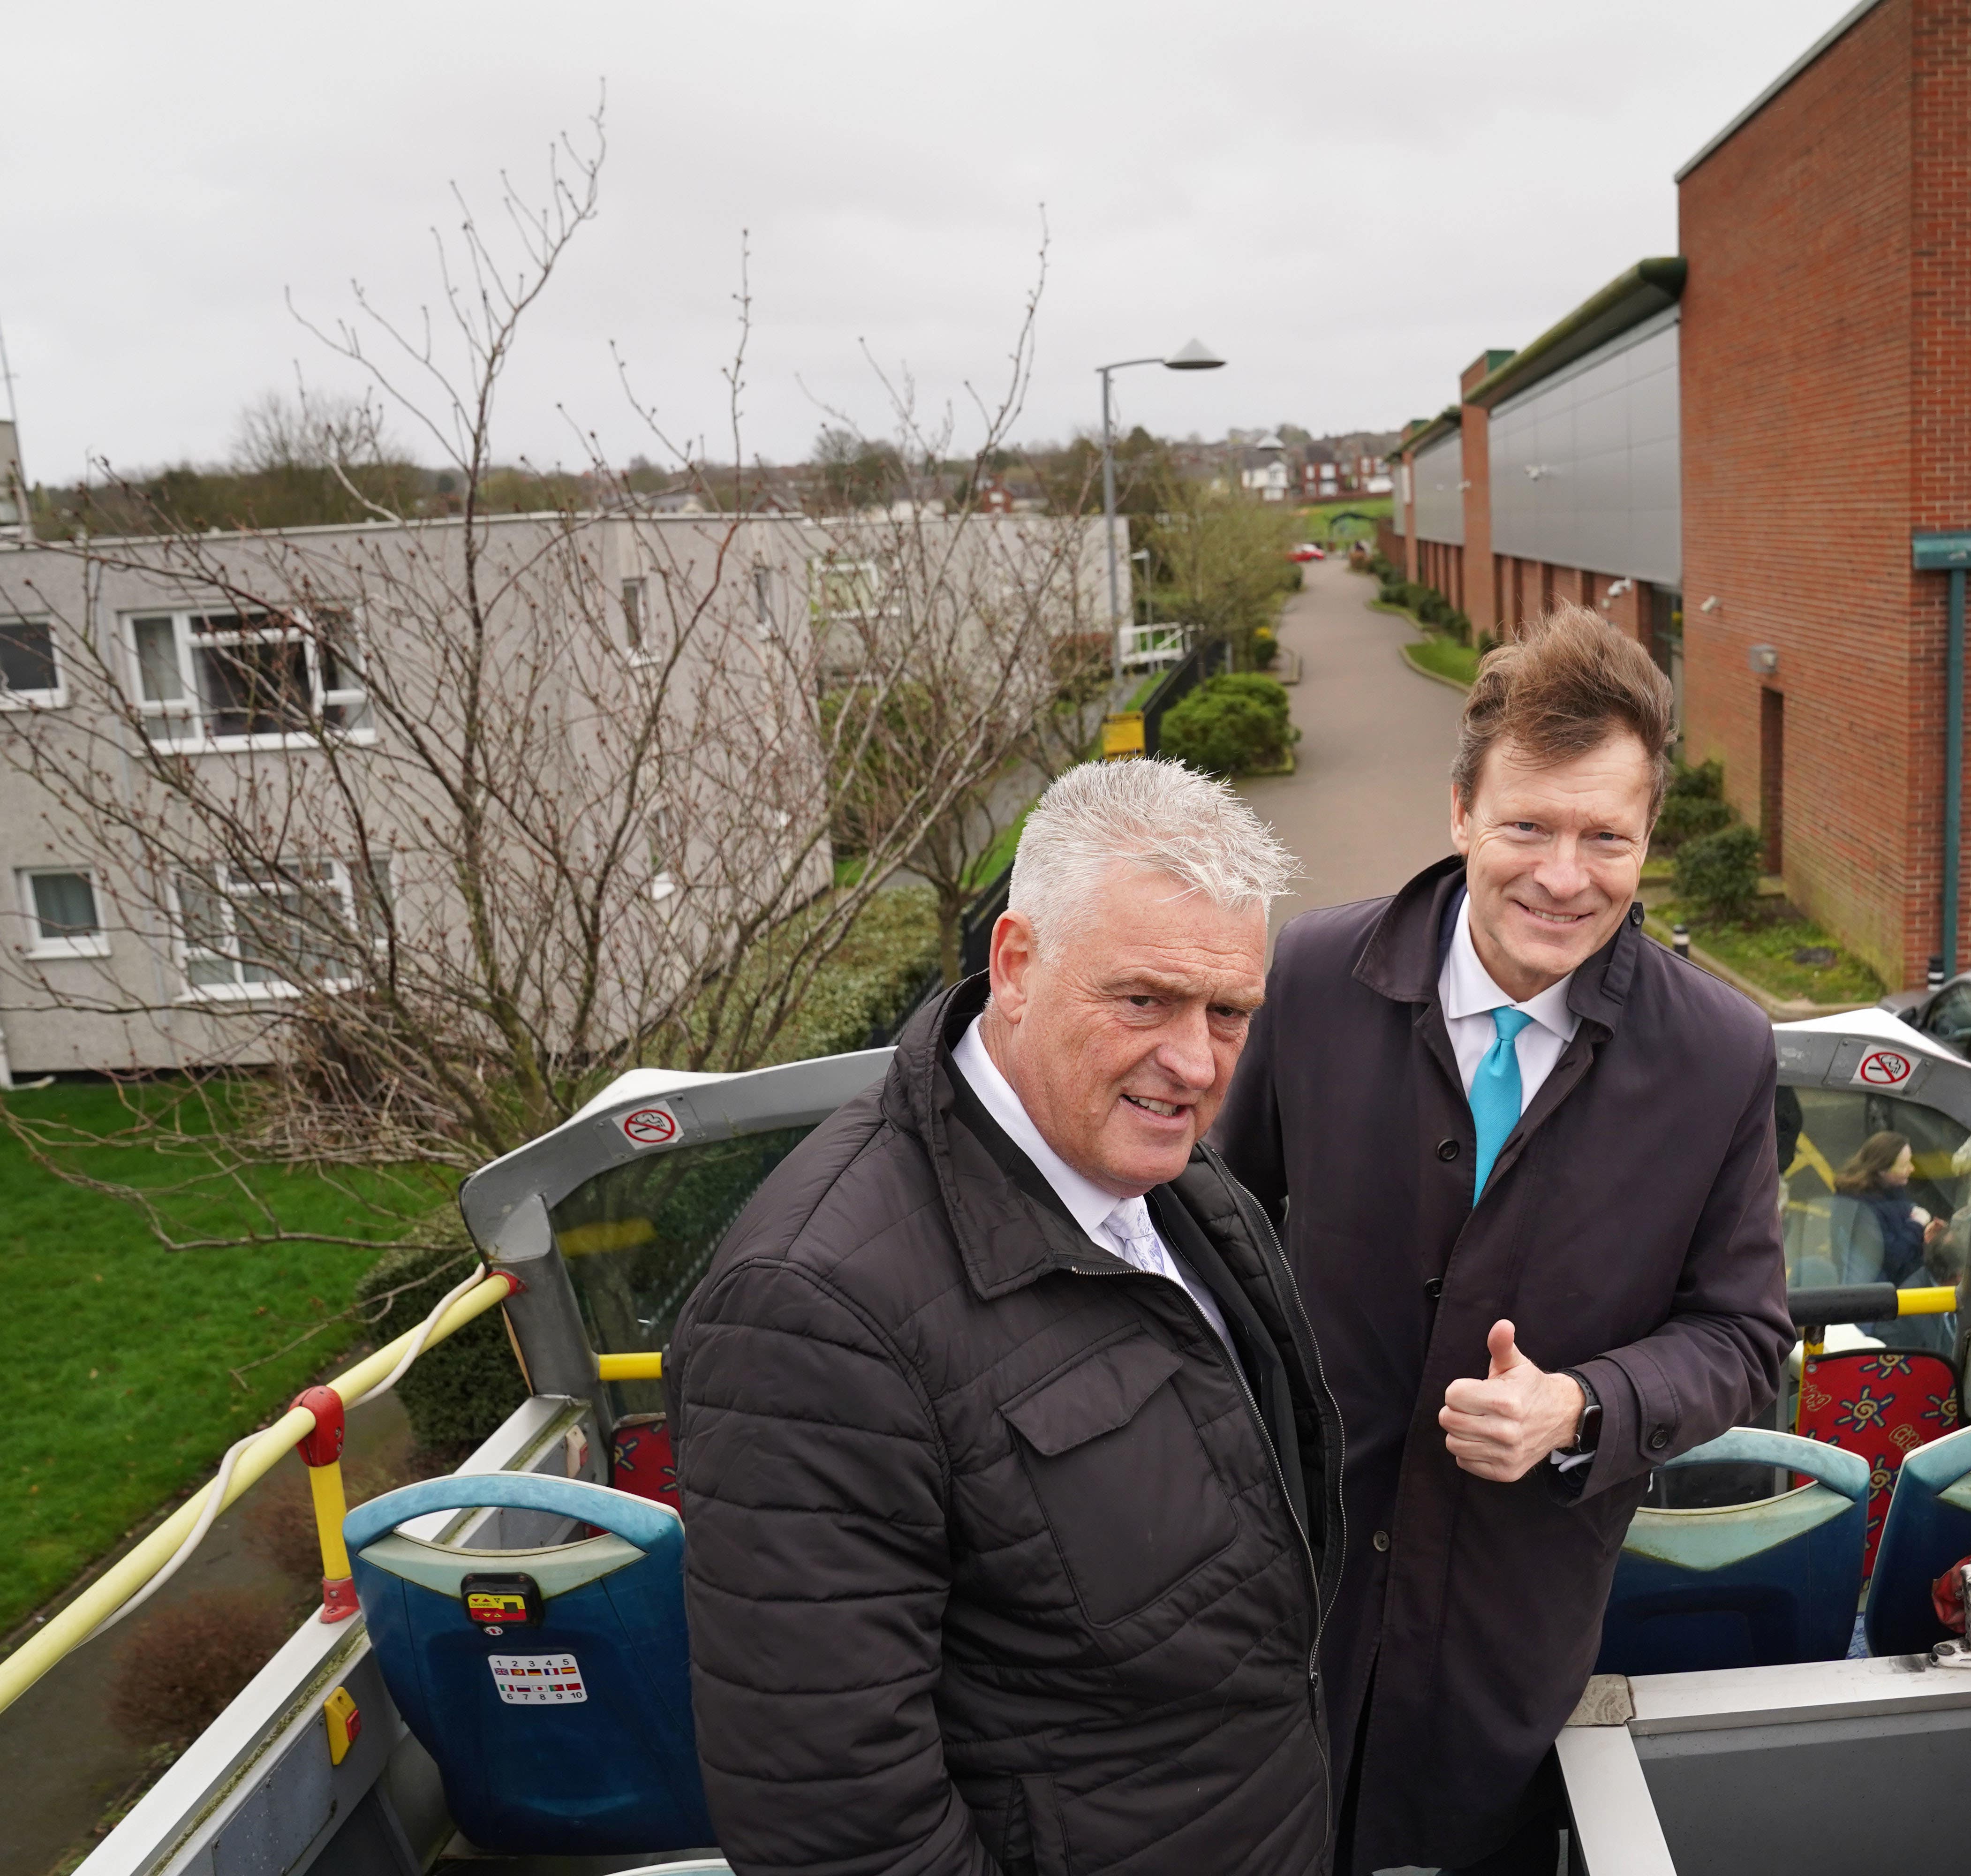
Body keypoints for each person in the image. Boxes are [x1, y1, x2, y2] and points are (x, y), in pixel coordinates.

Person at [666, 761, 1341, 1876]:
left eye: (1229, 1012)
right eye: (1144, 999)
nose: (1195, 1061)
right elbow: (837, 1830)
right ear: (1017, 964)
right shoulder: (808, 1312)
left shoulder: (1151, 1166)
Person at [1212, 604, 1791, 1876]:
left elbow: (1745, 1339)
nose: (1563, 875)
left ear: (1650, 843)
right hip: (1272, 1598)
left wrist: (1583, 1406)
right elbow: (1207, 1222)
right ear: (1463, 809)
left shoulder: (1718, 1056)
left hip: (1505, 1637)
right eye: (1528, 825)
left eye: (1607, 837)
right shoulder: (1307, 978)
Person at [1833, 1130, 1947, 1286]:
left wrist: (1916, 1216)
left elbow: (1898, 1209)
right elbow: (1892, 1256)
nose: (1912, 1169)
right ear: (1882, 1171)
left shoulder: (1885, 1187)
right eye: (1905, 1165)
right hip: (1879, 1293)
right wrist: (1917, 1226)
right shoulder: (1860, 1211)